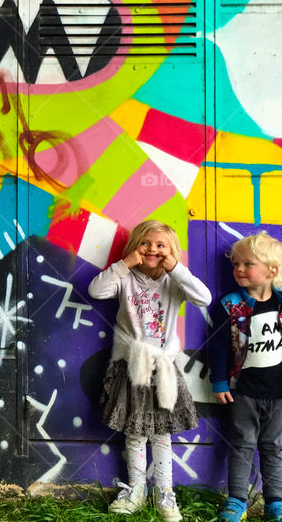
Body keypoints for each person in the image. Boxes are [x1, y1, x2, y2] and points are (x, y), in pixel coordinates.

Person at [88, 219, 212, 522]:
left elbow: (204, 298)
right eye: (145, 243)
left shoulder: (175, 282)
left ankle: (164, 494)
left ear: (171, 252)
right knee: (134, 433)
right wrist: (125, 263)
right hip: (131, 368)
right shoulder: (125, 278)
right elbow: (95, 290)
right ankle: (135, 490)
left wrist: (176, 269)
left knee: (161, 435)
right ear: (135, 247)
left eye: (160, 246)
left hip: (163, 371)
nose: (152, 250)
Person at [208, 231, 282, 522]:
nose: (238, 269)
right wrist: (218, 381)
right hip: (243, 391)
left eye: (247, 264)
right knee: (242, 443)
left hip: (280, 391)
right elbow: (216, 346)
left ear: (272, 271)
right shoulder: (230, 305)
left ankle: (275, 502)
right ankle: (237, 499)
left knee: (272, 446)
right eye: (235, 264)